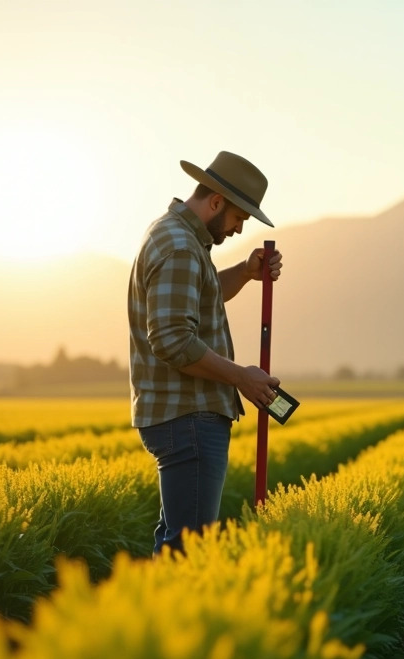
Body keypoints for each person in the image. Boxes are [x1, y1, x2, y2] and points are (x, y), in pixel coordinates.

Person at [127, 150, 283, 556]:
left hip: (184, 416)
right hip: (189, 416)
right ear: (215, 202)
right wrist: (240, 377)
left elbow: (201, 299)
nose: (237, 229)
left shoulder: (175, 236)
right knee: (188, 552)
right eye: (237, 218)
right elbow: (173, 339)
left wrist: (247, 273)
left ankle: (158, 616)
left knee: (177, 543)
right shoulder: (180, 246)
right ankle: (172, 619)